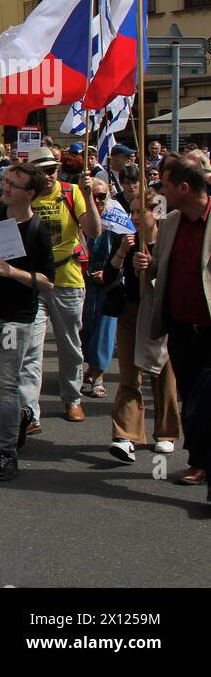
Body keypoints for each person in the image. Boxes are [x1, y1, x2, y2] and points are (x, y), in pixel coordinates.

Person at [0, 162, 56, 482]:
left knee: (5, 383)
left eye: (13, 185)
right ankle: (18, 414)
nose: (5, 188)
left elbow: (48, 281)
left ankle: (6, 453)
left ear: (29, 194)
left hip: (16, 319)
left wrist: (11, 272)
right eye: (4, 181)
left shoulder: (37, 231)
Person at [134, 153, 211, 490]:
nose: (159, 189)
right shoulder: (171, 223)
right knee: (192, 398)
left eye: (164, 184)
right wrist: (145, 264)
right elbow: (161, 269)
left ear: (183, 187)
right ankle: (198, 460)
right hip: (181, 327)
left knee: (208, 401)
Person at [26, 145, 102, 422]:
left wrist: (89, 196)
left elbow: (93, 231)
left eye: (52, 170)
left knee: (70, 345)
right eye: (43, 171)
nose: (49, 176)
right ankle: (30, 411)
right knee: (30, 348)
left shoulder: (71, 193)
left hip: (67, 279)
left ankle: (72, 398)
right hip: (33, 281)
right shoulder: (25, 198)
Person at [107, 192, 181, 462]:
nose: (135, 217)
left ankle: (166, 432)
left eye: (141, 211)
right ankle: (126, 435)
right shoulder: (127, 240)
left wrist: (152, 266)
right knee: (129, 375)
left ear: (156, 212)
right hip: (130, 312)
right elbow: (108, 274)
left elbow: (175, 277)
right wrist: (121, 253)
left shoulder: (168, 241)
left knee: (161, 374)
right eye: (132, 211)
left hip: (159, 313)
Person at [80, 180, 120, 400]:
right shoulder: (79, 215)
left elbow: (128, 246)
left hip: (109, 281)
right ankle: (90, 366)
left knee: (105, 328)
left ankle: (99, 376)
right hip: (83, 280)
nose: (98, 201)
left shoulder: (118, 218)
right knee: (86, 327)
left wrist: (110, 271)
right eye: (93, 196)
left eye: (102, 196)